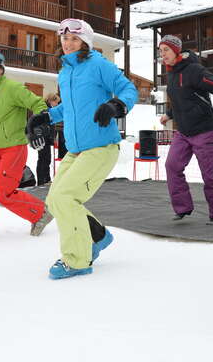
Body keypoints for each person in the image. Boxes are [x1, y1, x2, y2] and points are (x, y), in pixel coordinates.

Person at [26, 19, 137, 279]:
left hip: (101, 147)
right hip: (75, 149)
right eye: (64, 39)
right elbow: (70, 108)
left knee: (65, 198)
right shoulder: (66, 72)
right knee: (54, 199)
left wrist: (116, 106)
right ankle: (97, 236)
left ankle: (77, 260)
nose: (68, 43)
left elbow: (127, 88)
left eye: (74, 39)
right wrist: (45, 117)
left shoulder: (98, 65)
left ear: (85, 42)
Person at [0, 51, 53, 241]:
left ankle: (40, 213)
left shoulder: (12, 88)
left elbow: (39, 104)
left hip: (14, 147)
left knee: (3, 192)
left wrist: (37, 127)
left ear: (1, 69)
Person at [158, 35, 213, 223]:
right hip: (183, 132)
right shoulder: (172, 73)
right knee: (172, 166)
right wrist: (169, 114)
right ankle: (183, 207)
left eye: (166, 50)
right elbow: (182, 99)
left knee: (209, 174)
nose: (163, 55)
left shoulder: (194, 70)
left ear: (176, 50)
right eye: (160, 51)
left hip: (204, 130)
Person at [35, 93, 60, 186]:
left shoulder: (49, 110)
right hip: (42, 137)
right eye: (56, 102)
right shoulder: (44, 109)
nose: (57, 105)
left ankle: (46, 179)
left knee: (46, 158)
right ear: (51, 100)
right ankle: (42, 180)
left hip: (46, 137)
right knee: (43, 158)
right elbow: (44, 124)